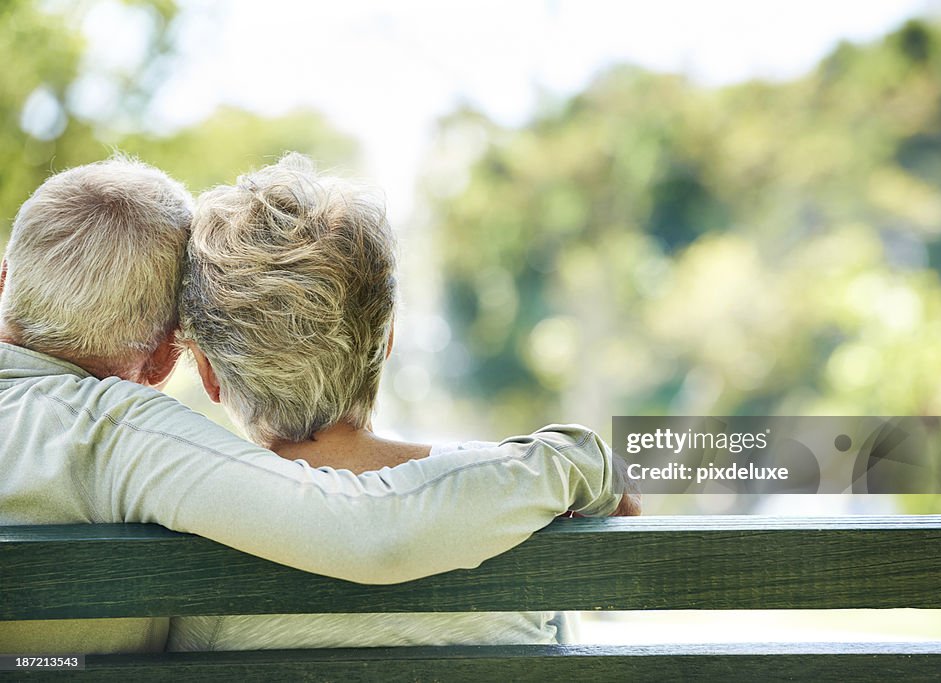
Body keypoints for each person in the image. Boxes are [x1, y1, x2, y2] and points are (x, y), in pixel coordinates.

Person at [0, 157, 630, 655]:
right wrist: (572, 461)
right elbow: (372, 531)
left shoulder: (190, 550)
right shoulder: (113, 434)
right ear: (386, 343)